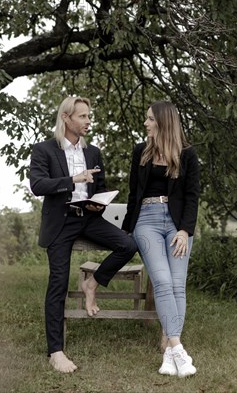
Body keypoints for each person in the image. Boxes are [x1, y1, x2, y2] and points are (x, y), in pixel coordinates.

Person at [29, 96, 138, 373]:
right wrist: (73, 181)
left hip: (88, 218)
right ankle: (56, 352)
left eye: (89, 116)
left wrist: (96, 201)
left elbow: (98, 186)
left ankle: (93, 282)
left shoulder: (93, 152)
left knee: (128, 244)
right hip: (61, 223)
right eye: (83, 116)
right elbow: (38, 185)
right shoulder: (44, 150)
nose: (88, 121)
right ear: (66, 118)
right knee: (58, 284)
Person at [122, 101, 200, 377]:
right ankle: (178, 348)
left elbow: (192, 197)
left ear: (163, 122)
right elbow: (134, 195)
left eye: (150, 119)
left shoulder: (188, 155)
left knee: (178, 285)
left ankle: (168, 352)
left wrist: (185, 230)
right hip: (147, 222)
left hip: (177, 225)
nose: (146, 124)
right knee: (163, 282)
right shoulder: (140, 153)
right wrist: (127, 230)